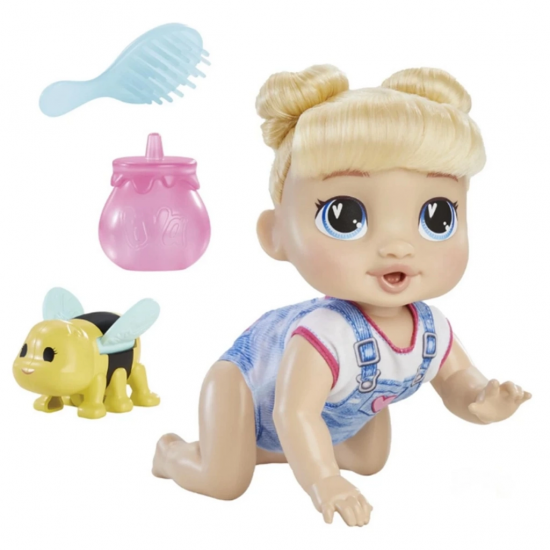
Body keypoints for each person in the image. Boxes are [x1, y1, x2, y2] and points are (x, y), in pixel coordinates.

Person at [152, 65, 531, 527]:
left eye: (437, 217)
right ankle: (172, 454)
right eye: (346, 216)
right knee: (225, 482)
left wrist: (481, 401)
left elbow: (456, 380)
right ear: (276, 234)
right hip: (244, 390)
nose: (398, 246)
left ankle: (270, 453)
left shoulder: (431, 328)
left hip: (334, 415)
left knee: (370, 461)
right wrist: (324, 480)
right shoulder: (324, 334)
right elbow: (294, 411)